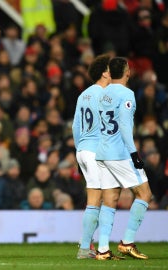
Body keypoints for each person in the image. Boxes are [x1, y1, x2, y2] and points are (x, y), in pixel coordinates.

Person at [95, 57, 152, 260]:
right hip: (119, 153)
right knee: (144, 193)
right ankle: (127, 242)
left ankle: (102, 250)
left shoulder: (103, 93)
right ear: (127, 72)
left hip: (102, 153)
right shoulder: (127, 94)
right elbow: (125, 126)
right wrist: (134, 154)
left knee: (110, 200)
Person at [71, 54, 111, 259]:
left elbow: (75, 126)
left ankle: (88, 244)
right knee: (98, 200)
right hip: (96, 150)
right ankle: (85, 247)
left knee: (99, 198)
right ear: (105, 73)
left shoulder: (83, 94)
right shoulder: (105, 95)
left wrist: (80, 151)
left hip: (83, 150)